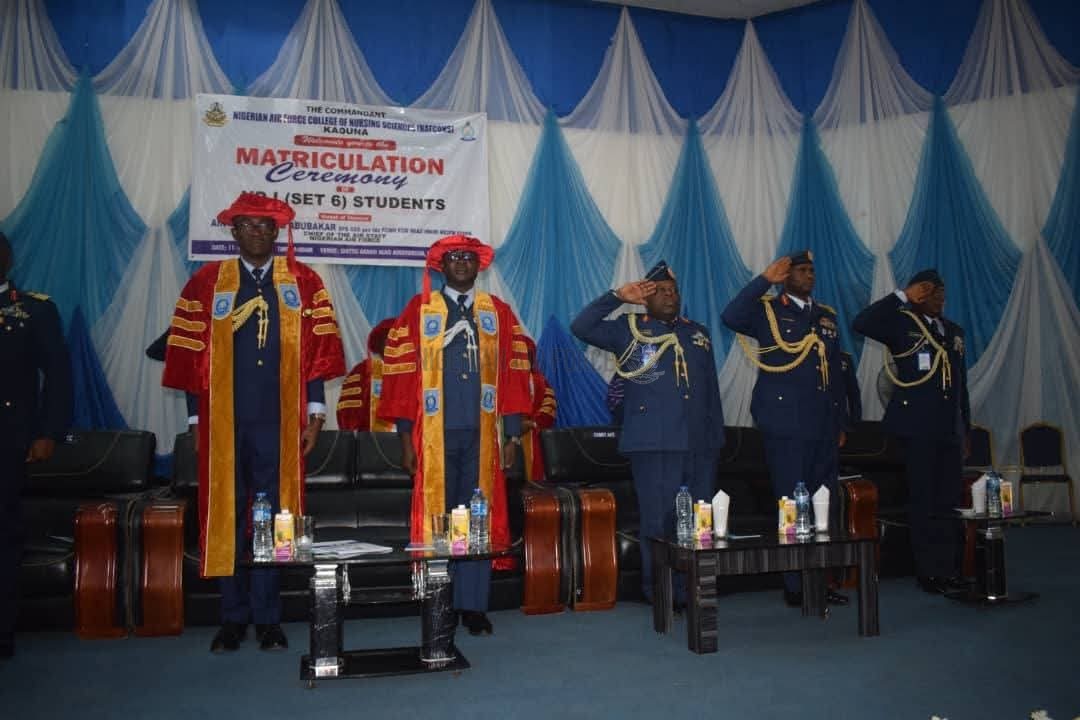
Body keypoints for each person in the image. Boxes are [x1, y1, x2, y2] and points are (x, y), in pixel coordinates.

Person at [162, 193, 345, 653]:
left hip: (281, 422)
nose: (257, 233)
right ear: (234, 231)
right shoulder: (207, 283)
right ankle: (232, 617)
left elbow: (316, 354)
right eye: (248, 225)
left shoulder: (302, 282)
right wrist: (195, 419)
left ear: (277, 231)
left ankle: (268, 617)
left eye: (265, 226)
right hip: (223, 420)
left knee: (273, 517)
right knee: (227, 514)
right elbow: (190, 356)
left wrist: (316, 414)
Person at [377, 234, 532, 635]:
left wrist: (512, 435)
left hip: (482, 435)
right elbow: (400, 376)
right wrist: (404, 438)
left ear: (479, 265)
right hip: (434, 435)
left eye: (468, 257)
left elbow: (514, 373)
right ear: (440, 266)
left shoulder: (497, 313)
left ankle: (473, 605)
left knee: (476, 518)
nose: (462, 263)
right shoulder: (419, 310)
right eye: (453, 258)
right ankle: (439, 600)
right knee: (439, 519)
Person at [571, 261, 724, 605]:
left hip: (699, 444)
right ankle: (660, 591)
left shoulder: (697, 333)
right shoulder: (627, 329)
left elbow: (711, 391)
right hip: (654, 443)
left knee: (697, 521)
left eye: (674, 291)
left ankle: (691, 588)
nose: (670, 297)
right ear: (645, 298)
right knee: (659, 521)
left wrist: (715, 439)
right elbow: (581, 326)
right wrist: (617, 297)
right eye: (661, 291)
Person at [721, 251, 848, 608]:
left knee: (824, 503)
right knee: (791, 503)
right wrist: (765, 280)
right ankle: (795, 584)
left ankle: (819, 580)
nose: (809, 276)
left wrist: (840, 421)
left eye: (811, 270)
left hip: (823, 423)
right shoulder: (767, 310)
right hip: (785, 422)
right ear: (786, 276)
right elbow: (730, 316)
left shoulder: (826, 316)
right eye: (801, 270)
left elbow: (835, 373)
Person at [853, 269, 970, 595]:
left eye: (941, 292)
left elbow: (960, 387)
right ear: (918, 294)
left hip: (949, 431)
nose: (938, 298)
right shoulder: (902, 324)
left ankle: (949, 568)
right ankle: (928, 571)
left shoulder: (954, 332)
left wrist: (966, 430)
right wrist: (901, 296)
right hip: (917, 429)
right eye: (930, 292)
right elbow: (862, 323)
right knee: (923, 501)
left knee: (948, 502)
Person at [0, 232, 72, 659]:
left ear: (7, 259)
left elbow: (58, 376)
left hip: (9, 438)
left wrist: (49, 432)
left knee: (4, 534)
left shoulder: (33, 309)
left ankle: (3, 630)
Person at [336, 318, 397, 431]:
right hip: (370, 438)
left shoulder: (416, 372)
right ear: (378, 343)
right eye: (389, 339)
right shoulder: (363, 371)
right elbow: (347, 412)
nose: (394, 345)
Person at [520, 335, 557, 483]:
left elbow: (549, 408)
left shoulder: (540, 381)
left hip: (531, 436)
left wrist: (533, 423)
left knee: (532, 481)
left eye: (526, 355)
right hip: (503, 435)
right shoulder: (501, 381)